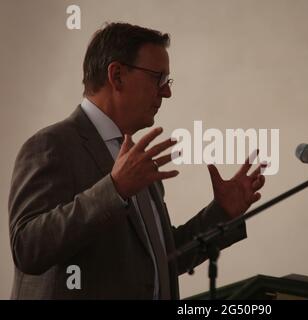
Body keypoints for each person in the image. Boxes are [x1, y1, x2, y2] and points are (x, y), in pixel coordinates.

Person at [8, 22, 266, 299]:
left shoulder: (134, 160)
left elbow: (159, 263)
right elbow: (27, 248)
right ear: (117, 76)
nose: (167, 92)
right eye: (159, 78)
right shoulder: (51, 145)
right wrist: (114, 189)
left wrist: (220, 214)